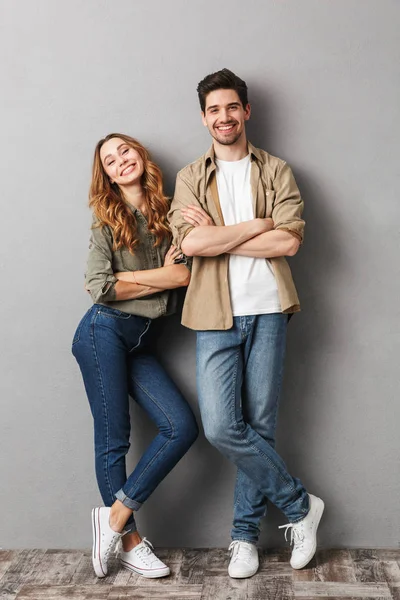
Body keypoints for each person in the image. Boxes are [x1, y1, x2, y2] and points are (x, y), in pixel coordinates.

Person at [168, 69, 324, 578]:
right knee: (221, 425)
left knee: (260, 426)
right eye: (214, 110)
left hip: (269, 308)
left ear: (246, 111)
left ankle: (243, 537)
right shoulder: (191, 176)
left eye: (231, 107)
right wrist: (257, 225)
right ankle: (302, 507)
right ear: (204, 117)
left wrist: (223, 234)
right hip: (214, 312)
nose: (224, 117)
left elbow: (289, 242)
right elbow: (190, 246)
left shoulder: (277, 170)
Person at [72, 133, 198, 579]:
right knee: (114, 438)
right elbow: (101, 287)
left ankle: (111, 518)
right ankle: (130, 542)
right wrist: (166, 274)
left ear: (140, 155)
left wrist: (146, 278)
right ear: (106, 175)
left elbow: (191, 275)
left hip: (142, 343)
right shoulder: (106, 219)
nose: (120, 161)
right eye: (110, 160)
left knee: (181, 427)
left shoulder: (173, 210)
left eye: (125, 151)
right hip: (101, 332)